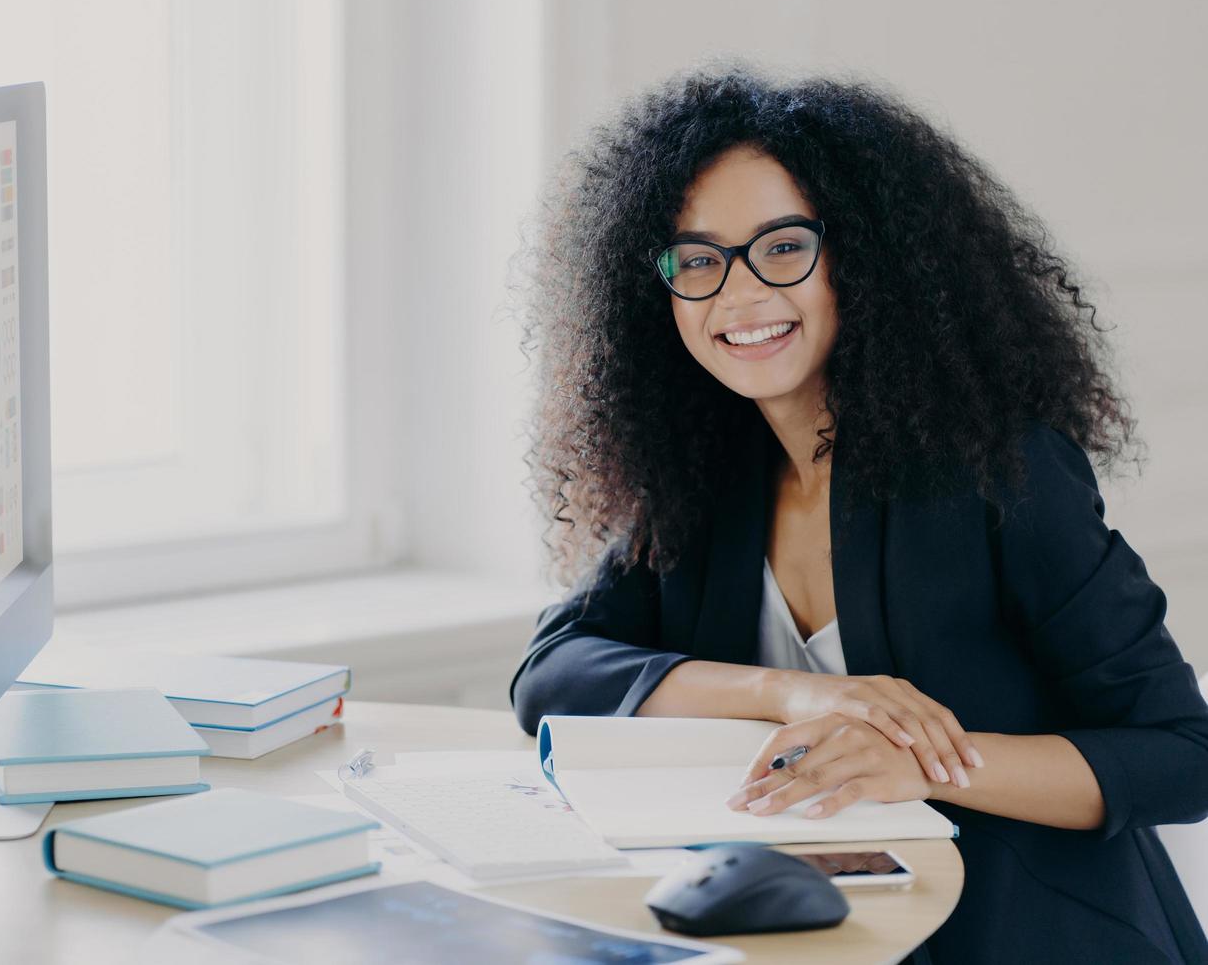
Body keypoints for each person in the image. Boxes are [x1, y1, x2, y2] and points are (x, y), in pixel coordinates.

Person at [508, 60, 1208, 965]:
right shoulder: (701, 475)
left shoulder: (1001, 467)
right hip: (820, 936)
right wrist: (790, 692)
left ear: (866, 257)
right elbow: (553, 672)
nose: (740, 293)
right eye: (699, 260)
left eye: (784, 246)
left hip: (1031, 935)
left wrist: (926, 763)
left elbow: (1181, 755)